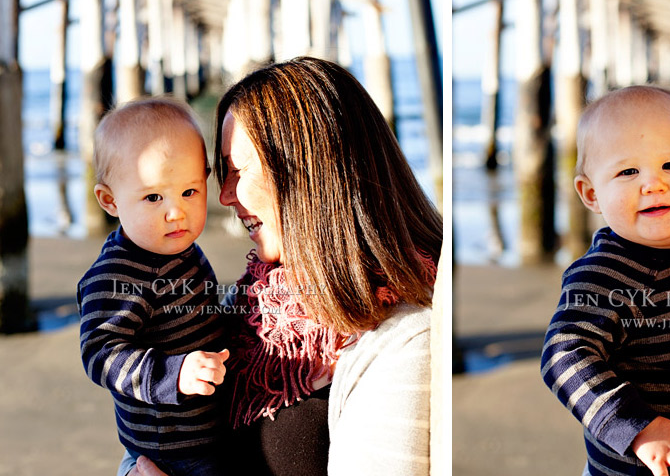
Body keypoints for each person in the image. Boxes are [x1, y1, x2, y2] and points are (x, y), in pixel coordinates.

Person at [129, 56, 441, 476]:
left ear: (308, 172)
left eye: (237, 170)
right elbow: (161, 444)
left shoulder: (408, 337)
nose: (224, 195)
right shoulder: (254, 308)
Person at [541, 86, 670, 476]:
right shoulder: (606, 271)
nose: (653, 184)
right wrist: (638, 427)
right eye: (628, 172)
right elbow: (564, 355)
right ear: (591, 194)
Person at [76, 98, 230, 476]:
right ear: (110, 200)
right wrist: (172, 374)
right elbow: (101, 354)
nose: (176, 211)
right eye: (153, 197)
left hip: (211, 432)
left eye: (189, 192)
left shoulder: (179, 248)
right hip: (170, 452)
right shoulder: (117, 276)